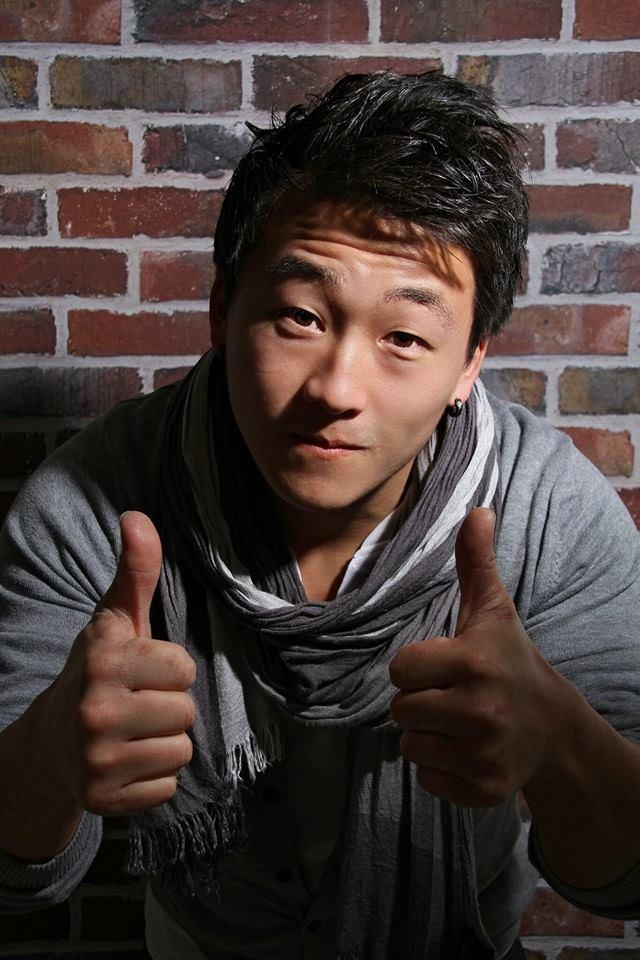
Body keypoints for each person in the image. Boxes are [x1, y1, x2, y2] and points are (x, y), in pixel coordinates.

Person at [0, 70, 639, 960]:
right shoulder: (92, 500)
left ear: (469, 364)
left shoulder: (546, 507)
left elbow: (625, 878)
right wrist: (50, 751)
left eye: (405, 338)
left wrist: (562, 745)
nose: (337, 389)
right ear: (222, 310)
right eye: (299, 317)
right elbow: (16, 878)